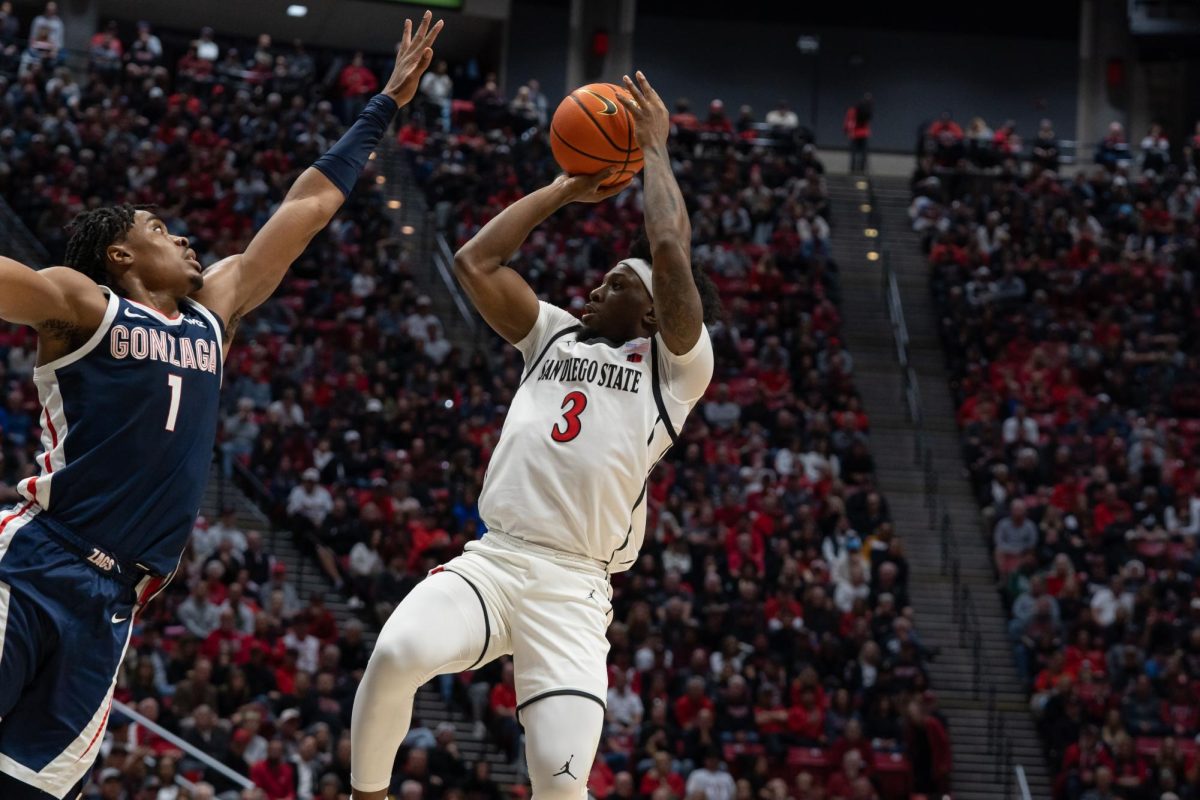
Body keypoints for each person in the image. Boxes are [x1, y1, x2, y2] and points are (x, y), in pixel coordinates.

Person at [0, 13, 443, 799]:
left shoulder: (215, 312)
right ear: (121, 254)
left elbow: (305, 208)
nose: (186, 240)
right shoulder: (84, 302)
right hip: (36, 562)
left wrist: (383, 105)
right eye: (162, 230)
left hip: (116, 602)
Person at [349, 70, 717, 800]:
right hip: (498, 560)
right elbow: (474, 263)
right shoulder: (551, 334)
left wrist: (655, 150)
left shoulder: (676, 372)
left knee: (557, 781)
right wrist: (563, 189)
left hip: (575, 590)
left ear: (650, 314)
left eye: (614, 283)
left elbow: (670, 252)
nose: (591, 290)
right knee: (394, 652)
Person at [844, 93, 872, 173]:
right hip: (862, 133)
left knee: (854, 152)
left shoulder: (852, 111)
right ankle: (861, 169)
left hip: (856, 134)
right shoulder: (866, 110)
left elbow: (849, 123)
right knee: (863, 152)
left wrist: (848, 131)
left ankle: (853, 169)